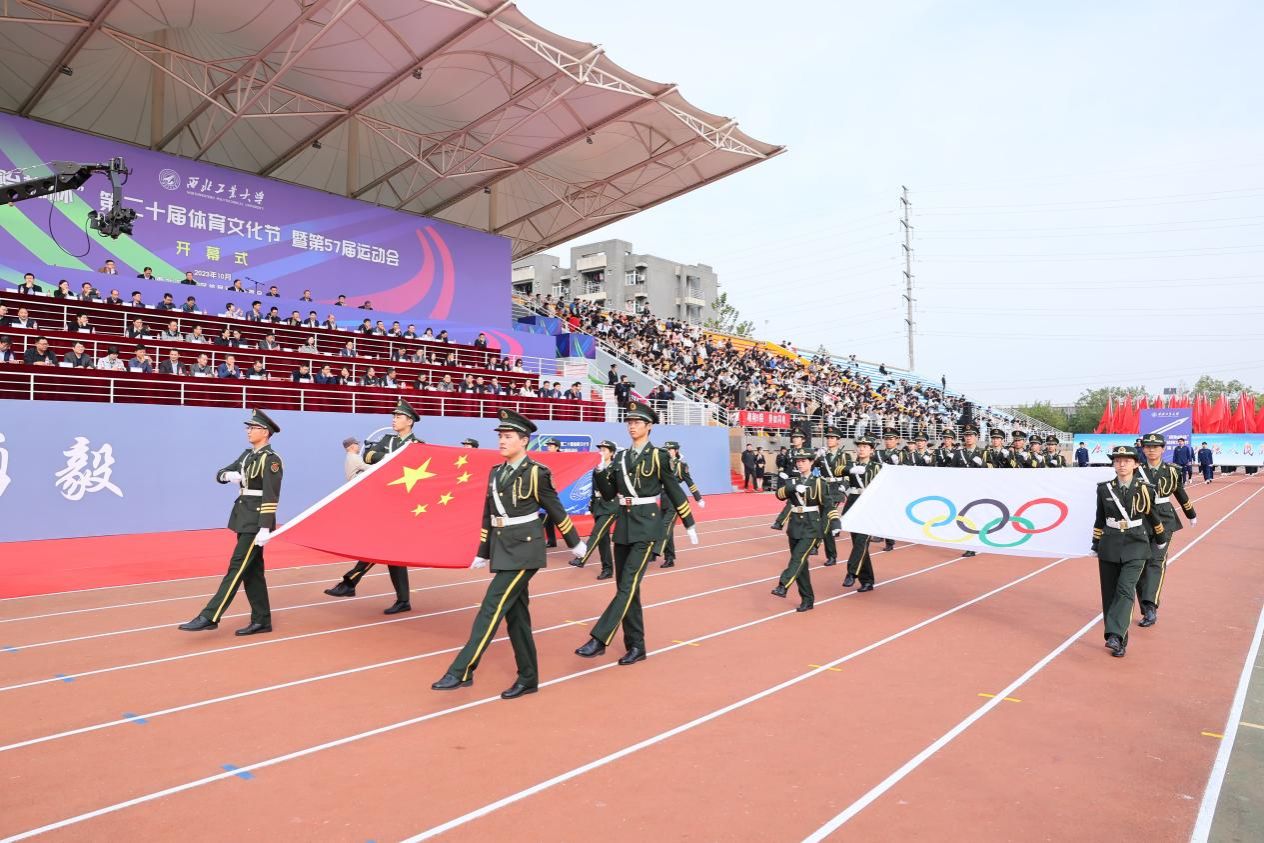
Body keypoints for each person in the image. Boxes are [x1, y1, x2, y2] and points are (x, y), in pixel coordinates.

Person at [432, 409, 585, 698]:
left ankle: (462, 670)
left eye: (508, 436)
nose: (502, 441)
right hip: (503, 547)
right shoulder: (496, 472)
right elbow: (488, 514)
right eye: (500, 436)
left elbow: (555, 508)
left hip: (525, 549)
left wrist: (574, 542)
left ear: (524, 440)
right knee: (517, 618)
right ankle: (528, 678)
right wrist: (483, 550)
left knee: (491, 606)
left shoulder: (537, 472)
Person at [575, 401, 697, 665]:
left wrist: (688, 522)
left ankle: (599, 639)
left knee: (628, 585)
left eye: (637, 422)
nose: (632, 426)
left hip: (647, 526)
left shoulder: (658, 456)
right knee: (627, 589)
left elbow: (674, 489)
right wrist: (600, 472)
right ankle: (637, 646)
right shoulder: (620, 457)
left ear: (649, 426)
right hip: (624, 525)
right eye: (629, 422)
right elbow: (610, 494)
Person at [179, 409, 283, 635]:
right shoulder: (246, 456)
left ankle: (210, 615)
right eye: (248, 427)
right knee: (252, 572)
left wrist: (265, 527)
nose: (248, 431)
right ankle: (262, 620)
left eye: (253, 428)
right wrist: (228, 476)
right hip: (243, 518)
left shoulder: (271, 460)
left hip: (256, 521)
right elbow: (221, 472)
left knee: (236, 567)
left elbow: (271, 495)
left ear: (265, 432)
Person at [324, 399, 422, 613]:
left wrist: (393, 460)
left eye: (398, 416)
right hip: (382, 502)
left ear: (410, 421)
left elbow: (417, 469)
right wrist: (394, 458)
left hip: (402, 506)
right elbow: (368, 456)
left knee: (383, 547)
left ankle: (350, 582)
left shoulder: (418, 445)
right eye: (393, 416)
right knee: (392, 554)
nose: (394, 420)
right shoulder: (387, 440)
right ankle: (402, 600)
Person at [1091, 445, 1165, 658]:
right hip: (1110, 544)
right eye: (1117, 461)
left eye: (1126, 461)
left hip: (1136, 544)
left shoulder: (1146, 489)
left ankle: (1114, 635)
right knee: (1109, 593)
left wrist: (1160, 539)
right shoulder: (1104, 489)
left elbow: (1153, 516)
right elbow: (1100, 518)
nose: (1121, 464)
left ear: (1136, 464)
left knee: (1125, 589)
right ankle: (1120, 642)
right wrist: (1096, 543)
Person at [1134, 432, 1197, 628]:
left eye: (1155, 447)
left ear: (1163, 449)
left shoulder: (1172, 470)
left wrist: (1191, 513)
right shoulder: (1135, 470)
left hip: (1164, 518)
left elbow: (1179, 492)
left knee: (1156, 561)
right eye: (1148, 447)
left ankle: (1150, 606)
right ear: (1143, 449)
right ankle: (1145, 605)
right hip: (1141, 520)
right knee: (1139, 563)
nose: (1151, 450)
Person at [771, 447, 841, 612]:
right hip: (795, 526)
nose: (800, 464)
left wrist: (835, 523)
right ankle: (807, 599)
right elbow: (779, 495)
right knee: (801, 565)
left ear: (811, 462)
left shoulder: (819, 482)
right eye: (798, 461)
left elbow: (828, 505)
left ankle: (783, 585)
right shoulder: (793, 481)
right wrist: (793, 488)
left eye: (804, 461)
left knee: (797, 558)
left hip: (811, 526)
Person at [571, 440, 619, 580]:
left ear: (612, 453)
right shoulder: (596, 468)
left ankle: (582, 557)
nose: (601, 452)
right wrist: (592, 505)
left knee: (596, 533)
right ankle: (607, 569)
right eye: (600, 450)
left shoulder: (616, 468)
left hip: (611, 506)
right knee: (603, 540)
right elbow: (593, 489)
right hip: (598, 506)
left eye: (604, 450)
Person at [841, 434, 882, 592]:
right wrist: (850, 470)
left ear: (872, 450)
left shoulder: (877, 467)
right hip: (853, 503)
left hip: (869, 505)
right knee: (858, 543)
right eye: (859, 446)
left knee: (861, 542)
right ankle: (867, 580)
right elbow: (838, 471)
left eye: (865, 447)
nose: (861, 449)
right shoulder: (852, 465)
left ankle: (851, 573)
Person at [656, 441, 705, 568]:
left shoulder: (681, 466)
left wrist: (698, 498)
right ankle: (669, 558)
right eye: (666, 450)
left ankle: (655, 551)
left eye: (670, 449)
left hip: (675, 500)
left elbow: (689, 482)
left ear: (676, 451)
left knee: (665, 525)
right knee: (668, 530)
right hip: (663, 499)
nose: (667, 452)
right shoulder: (661, 464)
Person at [812, 427, 852, 566]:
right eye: (828, 437)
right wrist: (817, 457)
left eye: (832, 438)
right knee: (827, 525)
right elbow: (815, 471)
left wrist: (844, 487)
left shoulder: (845, 456)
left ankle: (815, 545)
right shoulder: (823, 455)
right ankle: (832, 556)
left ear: (838, 440)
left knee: (824, 520)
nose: (829, 440)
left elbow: (849, 473)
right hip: (824, 490)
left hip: (836, 491)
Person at [539, 438, 562, 546]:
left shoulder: (563, 458)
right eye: (548, 446)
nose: (548, 448)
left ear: (557, 448)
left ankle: (534, 541)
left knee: (544, 516)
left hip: (559, 492)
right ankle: (552, 541)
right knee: (549, 517)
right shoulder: (545, 458)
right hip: (548, 492)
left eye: (551, 446)